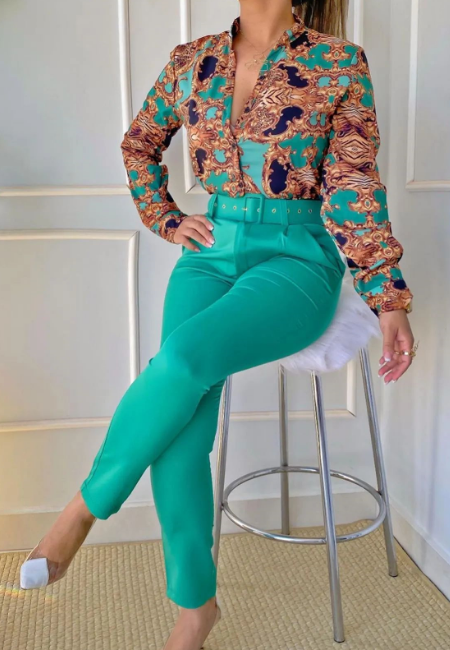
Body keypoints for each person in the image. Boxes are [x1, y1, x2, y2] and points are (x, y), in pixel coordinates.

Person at [20, 1, 416, 648]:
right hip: (209, 250)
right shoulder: (192, 60)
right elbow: (139, 143)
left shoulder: (338, 62)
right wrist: (167, 217)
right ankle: (196, 608)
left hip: (296, 258)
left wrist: (386, 295)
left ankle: (83, 509)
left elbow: (353, 182)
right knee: (181, 433)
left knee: (182, 360)